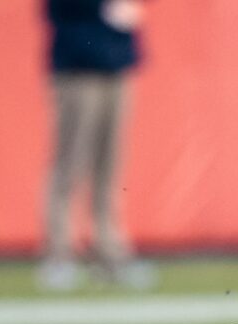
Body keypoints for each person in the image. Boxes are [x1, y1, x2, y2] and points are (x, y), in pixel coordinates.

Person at [40, 0, 154, 290]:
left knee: (110, 165)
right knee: (70, 164)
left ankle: (110, 251)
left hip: (116, 61)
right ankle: (59, 254)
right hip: (78, 65)